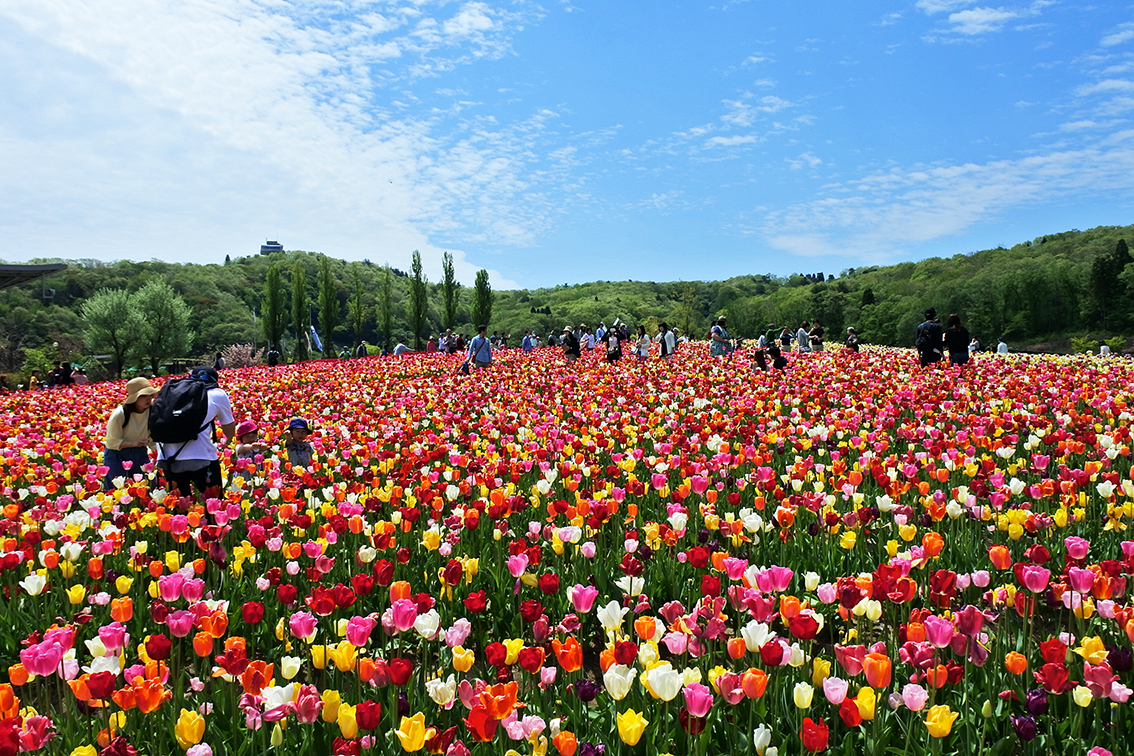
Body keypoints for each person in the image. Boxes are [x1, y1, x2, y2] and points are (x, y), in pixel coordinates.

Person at [157, 366, 235, 499]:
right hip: (202, 458)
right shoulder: (217, 393)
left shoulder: (172, 392)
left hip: (168, 458)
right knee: (214, 506)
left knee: (181, 511)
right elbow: (230, 433)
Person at [102, 377, 159, 490]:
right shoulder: (120, 414)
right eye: (143, 396)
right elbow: (112, 442)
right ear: (134, 398)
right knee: (117, 490)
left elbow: (153, 437)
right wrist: (134, 443)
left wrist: (157, 452)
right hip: (117, 455)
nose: (148, 399)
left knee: (147, 488)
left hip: (140, 453)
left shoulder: (152, 411)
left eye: (150, 395)